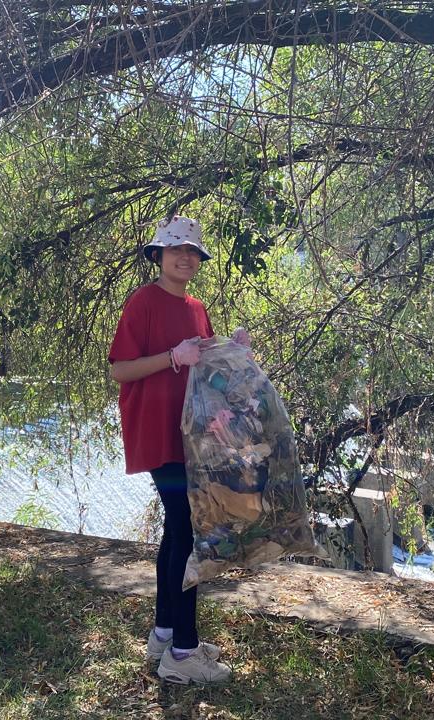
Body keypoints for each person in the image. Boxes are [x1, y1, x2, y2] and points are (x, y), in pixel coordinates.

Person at [108, 215, 249, 685]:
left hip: (191, 434)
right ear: (158, 255)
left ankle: (165, 633)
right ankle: (183, 654)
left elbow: (206, 368)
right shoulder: (143, 303)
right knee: (188, 528)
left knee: (177, 529)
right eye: (176, 250)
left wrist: (232, 350)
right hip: (157, 431)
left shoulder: (196, 307)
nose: (185, 258)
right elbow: (120, 371)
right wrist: (170, 358)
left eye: (193, 252)